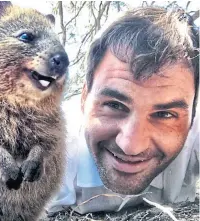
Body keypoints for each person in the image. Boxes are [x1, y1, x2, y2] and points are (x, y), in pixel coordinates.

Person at [47, 6, 199, 214]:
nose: (131, 146)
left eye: (165, 114)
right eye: (114, 105)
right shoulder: (47, 154)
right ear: (84, 99)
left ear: (193, 116)